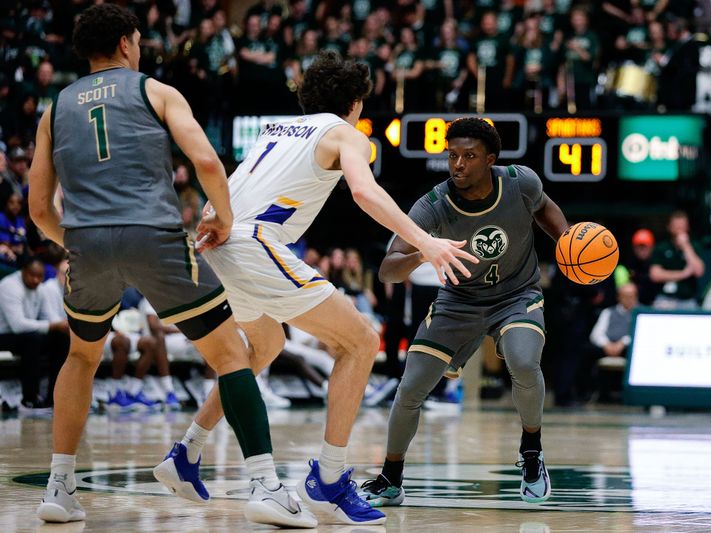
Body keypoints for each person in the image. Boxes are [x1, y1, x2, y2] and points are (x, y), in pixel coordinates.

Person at [155, 50, 476, 526]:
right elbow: (365, 193)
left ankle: (187, 452)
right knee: (363, 340)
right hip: (252, 244)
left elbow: (233, 185)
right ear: (355, 103)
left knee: (264, 345)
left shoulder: (276, 130)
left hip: (217, 241)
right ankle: (328, 479)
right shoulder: (346, 133)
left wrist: (212, 216)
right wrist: (426, 242)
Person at [27, 5, 311, 527]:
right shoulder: (153, 90)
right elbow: (206, 161)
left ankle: (59, 487)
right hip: (154, 236)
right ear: (126, 43)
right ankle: (265, 485)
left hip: (85, 243)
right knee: (230, 357)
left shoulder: (54, 108)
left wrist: (75, 239)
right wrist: (223, 219)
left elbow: (40, 209)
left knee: (81, 357)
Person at [359, 118, 569, 507]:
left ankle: (531, 452)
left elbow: (545, 209)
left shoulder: (521, 182)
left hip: (516, 295)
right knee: (410, 389)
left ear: (490, 159)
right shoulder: (433, 204)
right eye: (452, 155)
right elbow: (388, 269)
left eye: (469, 156)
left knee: (523, 362)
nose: (458, 164)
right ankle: (391, 478)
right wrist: (427, 249)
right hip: (459, 302)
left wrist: (567, 242)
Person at [0, 257, 69, 410]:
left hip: (28, 335)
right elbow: (18, 325)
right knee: (32, 340)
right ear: (23, 272)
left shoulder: (40, 288)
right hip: (5, 334)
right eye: (32, 276)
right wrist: (53, 325)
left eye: (40, 277)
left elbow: (48, 317)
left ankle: (54, 398)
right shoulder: (9, 287)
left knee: (62, 338)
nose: (36, 280)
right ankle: (30, 399)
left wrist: (64, 326)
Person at [649, 211, 705, 309]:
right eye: (676, 226)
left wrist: (686, 246)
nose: (679, 230)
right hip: (665, 298)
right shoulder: (662, 247)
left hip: (688, 299)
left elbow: (699, 271)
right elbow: (655, 275)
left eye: (682, 226)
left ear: (687, 227)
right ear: (669, 227)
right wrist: (684, 274)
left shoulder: (694, 246)